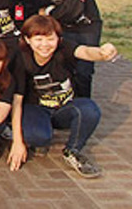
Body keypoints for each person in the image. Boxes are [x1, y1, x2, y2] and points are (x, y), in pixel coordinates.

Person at [8, 15, 118, 178]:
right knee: (38, 137)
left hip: (63, 108)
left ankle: (73, 150)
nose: (45, 45)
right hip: (36, 108)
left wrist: (102, 53)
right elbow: (17, 101)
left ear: (58, 39)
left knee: (89, 110)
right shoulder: (21, 58)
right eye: (38, 39)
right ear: (27, 40)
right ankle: (35, 132)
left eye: (50, 39)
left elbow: (85, 51)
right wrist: (17, 142)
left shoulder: (64, 48)